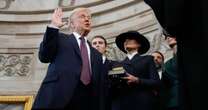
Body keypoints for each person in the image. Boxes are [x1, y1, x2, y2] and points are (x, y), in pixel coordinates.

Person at [32, 7, 105, 110]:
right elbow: (44, 56)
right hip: (57, 98)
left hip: (86, 102)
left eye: (89, 17)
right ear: (71, 24)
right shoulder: (60, 39)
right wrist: (53, 27)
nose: (87, 19)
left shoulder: (96, 54)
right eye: (82, 16)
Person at [113, 31, 160, 110]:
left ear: (139, 44)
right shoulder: (118, 64)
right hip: (124, 103)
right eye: (125, 40)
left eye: (130, 39)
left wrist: (137, 80)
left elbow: (156, 82)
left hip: (144, 102)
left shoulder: (147, 59)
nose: (126, 41)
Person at [91, 35, 120, 110]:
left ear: (106, 47)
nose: (97, 45)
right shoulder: (85, 66)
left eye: (100, 43)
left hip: (111, 102)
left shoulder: (115, 64)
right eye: (94, 43)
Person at [161, 32, 179, 110]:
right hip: (175, 101)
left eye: (169, 35)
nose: (167, 38)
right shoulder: (167, 64)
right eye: (165, 37)